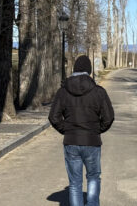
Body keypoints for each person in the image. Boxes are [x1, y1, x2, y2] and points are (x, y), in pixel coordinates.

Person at [49, 55, 114, 206]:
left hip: (71, 141)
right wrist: (97, 130)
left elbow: (54, 117)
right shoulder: (98, 92)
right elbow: (109, 117)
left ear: (74, 70)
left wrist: (67, 130)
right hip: (91, 141)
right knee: (93, 177)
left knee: (74, 183)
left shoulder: (63, 91)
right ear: (89, 71)